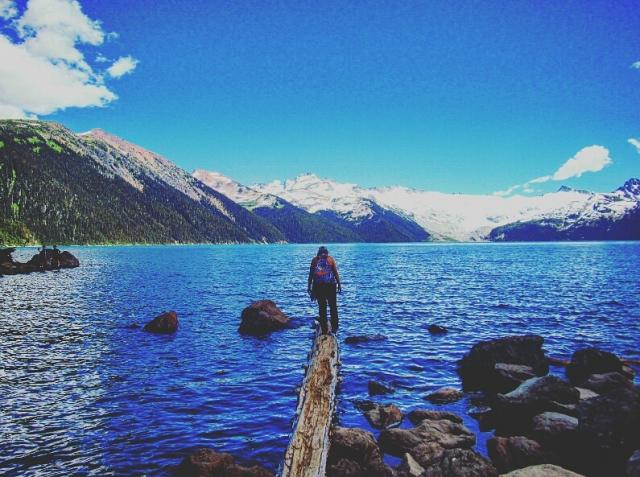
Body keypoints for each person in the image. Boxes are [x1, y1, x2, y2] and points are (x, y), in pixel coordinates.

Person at [307, 246, 342, 334]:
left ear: (318, 252)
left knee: (322, 308)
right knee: (333, 307)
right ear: (327, 253)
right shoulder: (330, 259)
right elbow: (335, 273)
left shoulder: (315, 260)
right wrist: (339, 285)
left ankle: (324, 330)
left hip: (319, 287)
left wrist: (309, 286)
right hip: (331, 286)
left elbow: (311, 274)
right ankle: (335, 328)